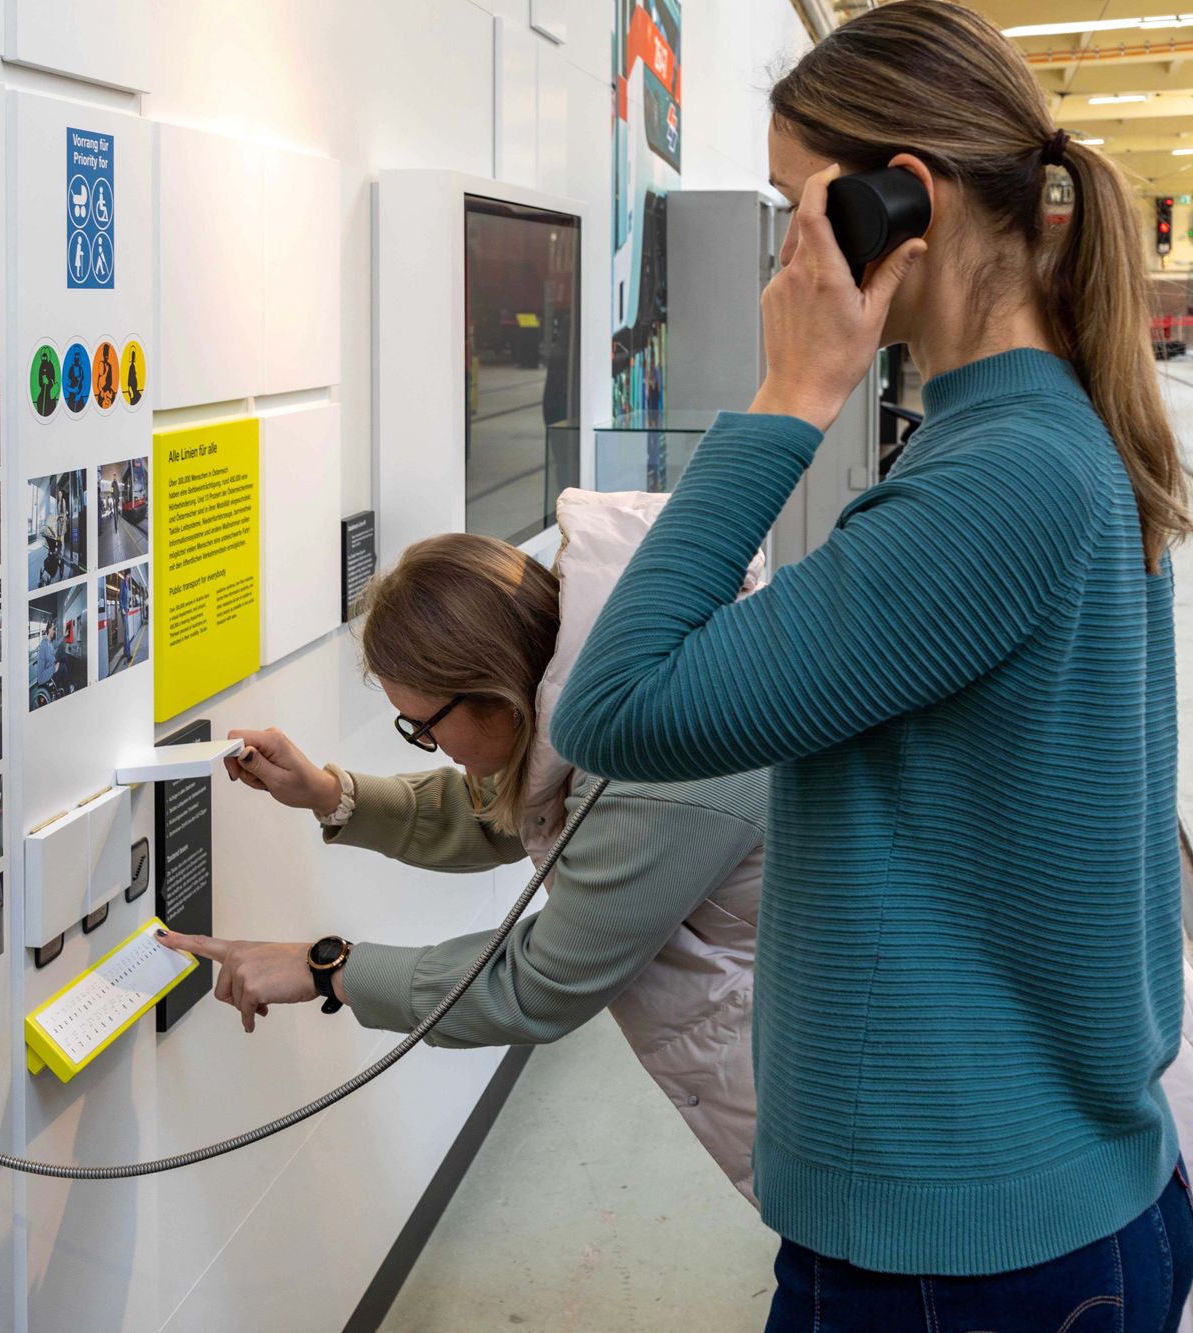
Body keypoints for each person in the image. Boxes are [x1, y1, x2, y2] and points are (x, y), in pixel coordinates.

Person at [545, 4, 1193, 1327]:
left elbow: (616, 707)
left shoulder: (1001, 481)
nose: (787, 252)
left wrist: (790, 392)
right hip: (1001, 1217)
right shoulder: (1027, 440)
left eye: (802, 207)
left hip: (970, 1250)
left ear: (910, 203)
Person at [163, 514, 771, 1200]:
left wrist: (327, 966)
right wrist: (329, 794)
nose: (428, 743)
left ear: (494, 689)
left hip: (861, 1101)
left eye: (424, 727)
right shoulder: (599, 679)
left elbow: (539, 983)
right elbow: (511, 808)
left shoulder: (657, 756)